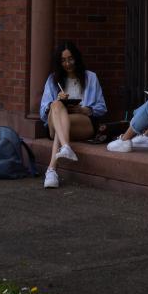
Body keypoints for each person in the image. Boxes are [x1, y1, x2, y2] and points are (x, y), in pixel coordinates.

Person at [39, 41, 107, 188]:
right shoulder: (53, 80)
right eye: (63, 60)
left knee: (60, 127)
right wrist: (57, 101)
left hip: (82, 122)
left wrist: (85, 110)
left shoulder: (91, 78)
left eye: (70, 59)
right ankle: (65, 147)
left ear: (77, 58)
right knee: (56, 106)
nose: (67, 63)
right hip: (55, 122)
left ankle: (52, 169)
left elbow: (102, 107)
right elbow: (42, 112)